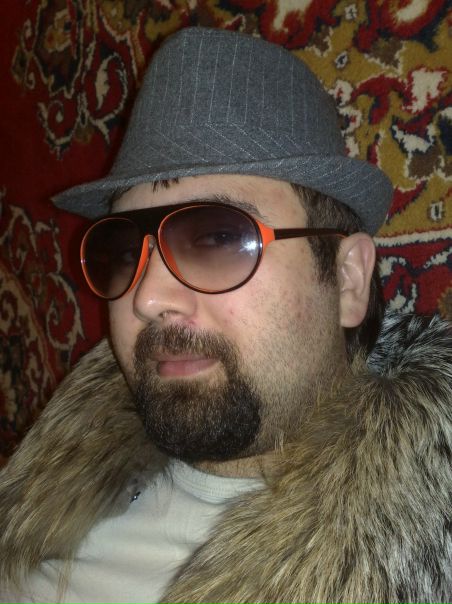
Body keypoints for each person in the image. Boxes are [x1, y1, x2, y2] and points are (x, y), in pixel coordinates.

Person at [0, 27, 450, 604]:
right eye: (124, 251)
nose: (146, 298)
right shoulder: (46, 503)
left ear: (347, 279)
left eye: (217, 238)